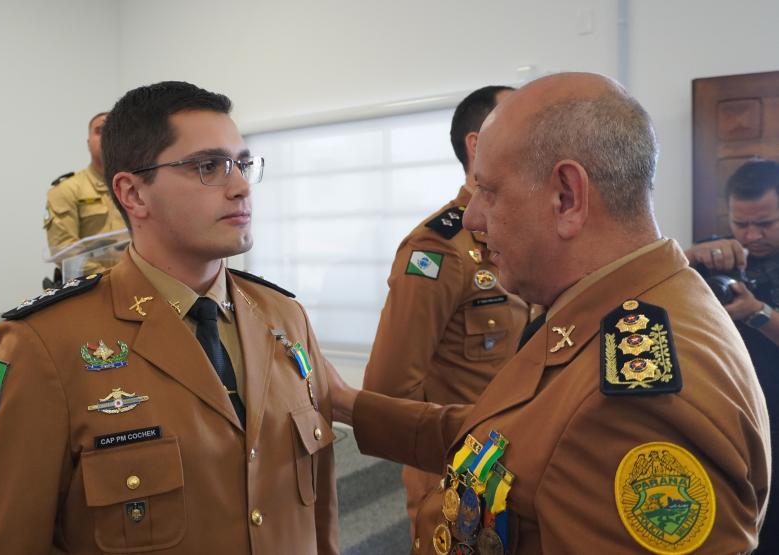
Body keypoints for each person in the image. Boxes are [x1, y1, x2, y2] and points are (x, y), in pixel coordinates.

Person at [328, 72, 770, 554]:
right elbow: (512, 439)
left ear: (566, 197)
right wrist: (345, 403)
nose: (474, 217)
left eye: (490, 192)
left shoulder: (631, 405)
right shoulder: (613, 306)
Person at [0, 81, 338, 554]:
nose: (239, 188)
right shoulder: (45, 346)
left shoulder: (283, 315)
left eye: (243, 164)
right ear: (133, 194)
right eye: (208, 166)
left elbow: (319, 514)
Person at [363, 85, 530, 533]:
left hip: (524, 466)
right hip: (460, 476)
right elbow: (387, 389)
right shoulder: (438, 249)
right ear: (476, 145)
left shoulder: (529, 239)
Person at [684, 159, 779, 553]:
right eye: (741, 224)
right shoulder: (715, 253)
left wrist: (759, 315)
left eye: (766, 223)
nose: (752, 235)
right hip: (731, 422)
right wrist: (689, 258)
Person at [44, 111, 127, 281]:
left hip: (139, 286)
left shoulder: (140, 187)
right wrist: (111, 278)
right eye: (100, 130)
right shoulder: (67, 189)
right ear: (88, 143)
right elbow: (64, 251)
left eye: (114, 130)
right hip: (90, 288)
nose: (107, 136)